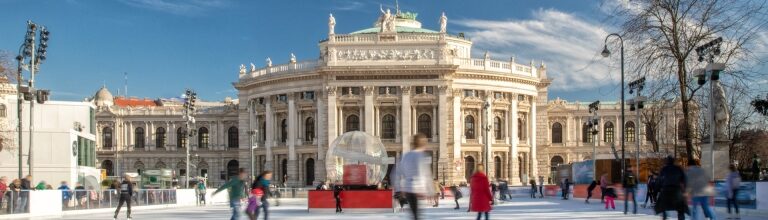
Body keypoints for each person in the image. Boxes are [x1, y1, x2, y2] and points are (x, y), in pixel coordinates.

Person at [393, 133, 435, 220]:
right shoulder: (421, 156)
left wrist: (398, 190)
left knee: (415, 214)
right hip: (417, 189)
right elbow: (426, 174)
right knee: (416, 215)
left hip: (407, 189)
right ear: (423, 144)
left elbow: (396, 173)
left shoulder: (405, 156)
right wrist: (431, 191)